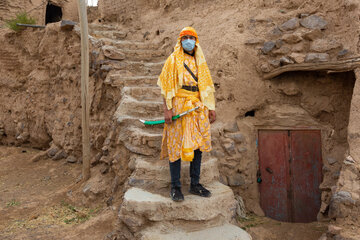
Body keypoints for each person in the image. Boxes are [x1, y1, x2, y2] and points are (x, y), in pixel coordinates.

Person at [157, 27, 216, 202]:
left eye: (192, 37)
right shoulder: (173, 60)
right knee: (175, 145)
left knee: (198, 146)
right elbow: (166, 87)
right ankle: (175, 187)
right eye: (185, 37)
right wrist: (167, 109)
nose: (188, 40)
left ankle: (195, 184)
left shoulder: (201, 62)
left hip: (198, 107)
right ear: (180, 40)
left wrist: (210, 107)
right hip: (179, 106)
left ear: (196, 41)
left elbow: (206, 87)